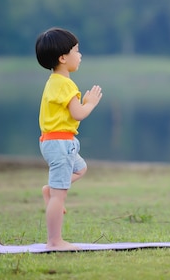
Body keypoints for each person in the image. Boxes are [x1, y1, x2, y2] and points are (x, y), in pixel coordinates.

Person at [35, 27, 103, 250]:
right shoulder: (65, 84)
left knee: (80, 169)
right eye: (76, 50)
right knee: (60, 197)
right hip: (60, 143)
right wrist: (90, 103)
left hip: (55, 143)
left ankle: (51, 189)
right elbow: (78, 114)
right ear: (63, 57)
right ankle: (55, 241)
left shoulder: (53, 81)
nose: (80, 55)